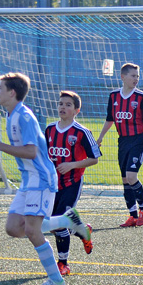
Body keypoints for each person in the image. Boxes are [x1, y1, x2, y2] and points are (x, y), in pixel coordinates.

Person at [0, 73, 91, 285]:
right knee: (14, 228)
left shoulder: (24, 117)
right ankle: (66, 220)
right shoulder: (11, 114)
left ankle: (56, 280)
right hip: (29, 180)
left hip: (41, 179)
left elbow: (31, 152)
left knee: (33, 231)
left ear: (12, 92)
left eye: (0, 88)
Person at [45, 90, 101, 275]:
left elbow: (94, 159)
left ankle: (63, 264)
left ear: (77, 110)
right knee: (53, 224)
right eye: (61, 103)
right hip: (52, 185)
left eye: (68, 105)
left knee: (59, 224)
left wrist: (71, 165)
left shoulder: (83, 132)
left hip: (72, 182)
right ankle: (83, 231)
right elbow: (46, 155)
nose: (63, 107)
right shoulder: (50, 129)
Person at [97, 63, 143, 227]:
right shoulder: (114, 96)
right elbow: (110, 119)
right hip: (122, 140)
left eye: (138, 76)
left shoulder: (141, 97)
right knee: (125, 179)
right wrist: (100, 137)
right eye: (133, 76)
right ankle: (132, 216)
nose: (136, 79)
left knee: (131, 176)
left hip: (138, 139)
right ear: (123, 77)